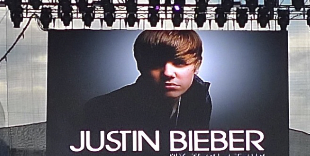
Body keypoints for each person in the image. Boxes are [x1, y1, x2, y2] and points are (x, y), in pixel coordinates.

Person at [78, 30, 212, 135]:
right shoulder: (102, 110)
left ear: (197, 65)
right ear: (140, 65)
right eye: (156, 63)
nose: (167, 73)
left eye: (179, 63)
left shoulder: (199, 98)